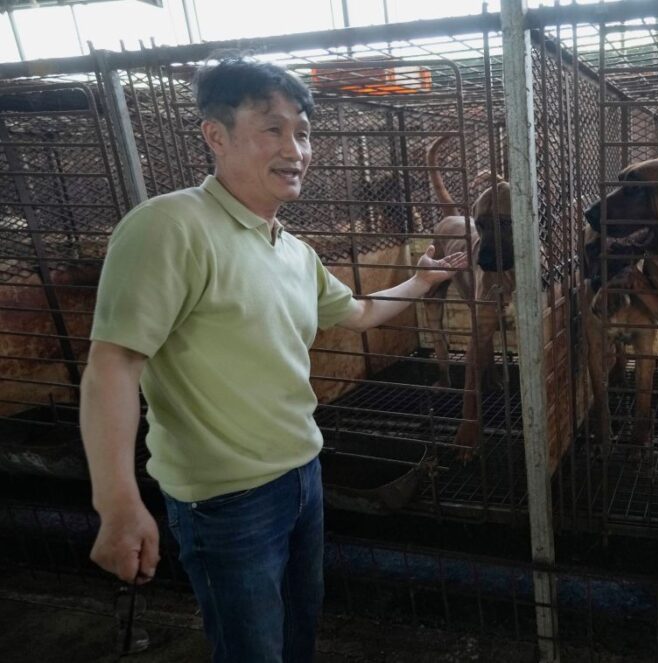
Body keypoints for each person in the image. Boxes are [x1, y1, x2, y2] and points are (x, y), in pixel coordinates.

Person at [80, 56, 466, 663]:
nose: (296, 148)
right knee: (251, 650)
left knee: (296, 636)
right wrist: (118, 502)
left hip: (302, 475)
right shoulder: (169, 227)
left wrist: (420, 282)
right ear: (216, 135)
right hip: (225, 501)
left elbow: (359, 313)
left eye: (304, 132)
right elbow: (113, 365)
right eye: (272, 128)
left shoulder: (290, 249)